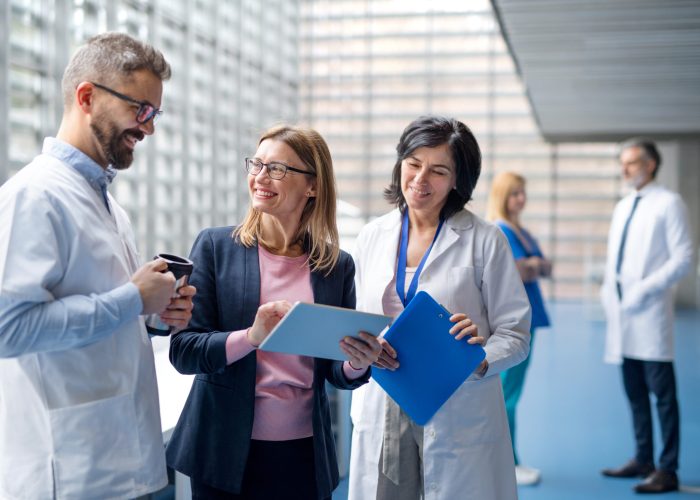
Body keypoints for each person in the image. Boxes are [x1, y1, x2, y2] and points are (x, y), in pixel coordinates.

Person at [0, 33, 196, 499]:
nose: (148, 128)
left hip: (120, 463)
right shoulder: (32, 197)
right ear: (87, 97)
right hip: (68, 473)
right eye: (140, 109)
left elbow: (105, 311)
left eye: (155, 114)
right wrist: (132, 300)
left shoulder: (107, 203)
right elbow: (8, 329)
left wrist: (155, 315)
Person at [165, 124, 383, 500]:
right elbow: (184, 351)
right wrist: (252, 337)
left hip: (302, 454)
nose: (261, 177)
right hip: (223, 450)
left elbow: (334, 370)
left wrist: (357, 362)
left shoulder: (336, 266)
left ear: (312, 186)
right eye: (257, 164)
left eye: (278, 169)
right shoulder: (216, 247)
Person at [348, 116, 532, 500]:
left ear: (457, 181)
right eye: (413, 163)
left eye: (438, 170)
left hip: (457, 398)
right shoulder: (372, 236)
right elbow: (356, 316)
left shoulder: (485, 240)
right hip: (386, 396)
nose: (420, 178)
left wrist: (479, 357)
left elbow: (515, 333)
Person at [600, 138, 693, 494]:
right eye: (622, 163)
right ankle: (643, 458)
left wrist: (643, 290)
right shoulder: (624, 206)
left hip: (650, 312)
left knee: (663, 396)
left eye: (632, 162)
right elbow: (616, 259)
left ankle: (667, 469)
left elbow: (682, 258)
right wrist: (610, 293)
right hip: (622, 315)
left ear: (651, 164)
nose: (625, 169)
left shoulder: (669, 204)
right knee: (635, 392)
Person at [486, 171, 551, 486]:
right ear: (502, 196)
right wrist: (533, 266)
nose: (521, 199)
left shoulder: (520, 231)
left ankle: (507, 458)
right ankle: (509, 461)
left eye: (523, 193)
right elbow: (514, 272)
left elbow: (541, 266)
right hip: (515, 322)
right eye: (515, 194)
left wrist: (534, 266)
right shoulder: (501, 230)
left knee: (512, 391)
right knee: (508, 394)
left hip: (530, 318)